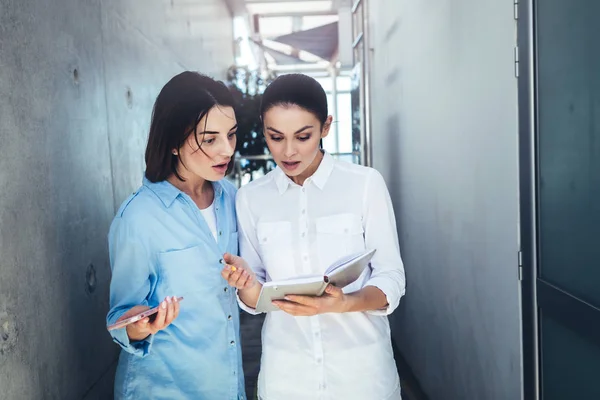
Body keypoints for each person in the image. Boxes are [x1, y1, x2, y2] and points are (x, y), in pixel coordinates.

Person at [223, 73, 406, 400]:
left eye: (303, 136)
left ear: (325, 127)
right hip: (287, 382)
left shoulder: (365, 184)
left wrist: (345, 303)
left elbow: (391, 276)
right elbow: (255, 299)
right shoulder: (250, 198)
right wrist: (246, 283)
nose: (288, 151)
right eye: (275, 136)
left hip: (363, 380)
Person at [106, 71, 247, 400]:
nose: (227, 150)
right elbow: (121, 313)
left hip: (227, 385)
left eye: (232, 135)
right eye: (209, 139)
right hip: (164, 388)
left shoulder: (232, 199)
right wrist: (139, 326)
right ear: (172, 141)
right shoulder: (138, 218)